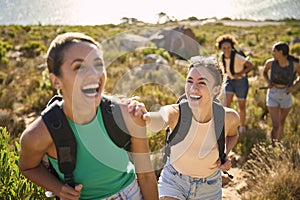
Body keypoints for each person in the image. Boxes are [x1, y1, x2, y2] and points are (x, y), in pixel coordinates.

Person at [18, 32, 158, 200]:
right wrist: (59, 189)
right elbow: (28, 167)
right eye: (79, 67)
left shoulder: (127, 115)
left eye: (98, 65)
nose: (93, 74)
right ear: (56, 81)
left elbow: (146, 176)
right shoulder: (39, 134)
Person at [131, 56, 239, 199]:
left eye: (202, 83)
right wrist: (145, 116)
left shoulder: (228, 117)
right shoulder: (177, 113)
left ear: (216, 89)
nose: (193, 88)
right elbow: (161, 117)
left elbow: (233, 135)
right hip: (174, 181)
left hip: (210, 186)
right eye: (189, 81)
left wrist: (223, 154)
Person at [215, 34, 254, 133]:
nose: (226, 50)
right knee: (226, 104)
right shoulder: (222, 56)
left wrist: (239, 74)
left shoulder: (237, 57)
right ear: (220, 48)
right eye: (224, 48)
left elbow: (250, 66)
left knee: (241, 105)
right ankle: (226, 125)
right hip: (230, 81)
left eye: (228, 47)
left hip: (241, 82)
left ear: (232, 47)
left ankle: (242, 126)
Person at [263, 42, 300, 143]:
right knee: (275, 124)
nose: (272, 53)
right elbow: (264, 72)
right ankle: (273, 144)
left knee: (281, 122)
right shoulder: (270, 63)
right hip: (273, 93)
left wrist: (293, 87)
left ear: (281, 52)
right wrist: (268, 82)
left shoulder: (295, 65)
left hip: (286, 95)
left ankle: (277, 144)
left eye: (274, 51)